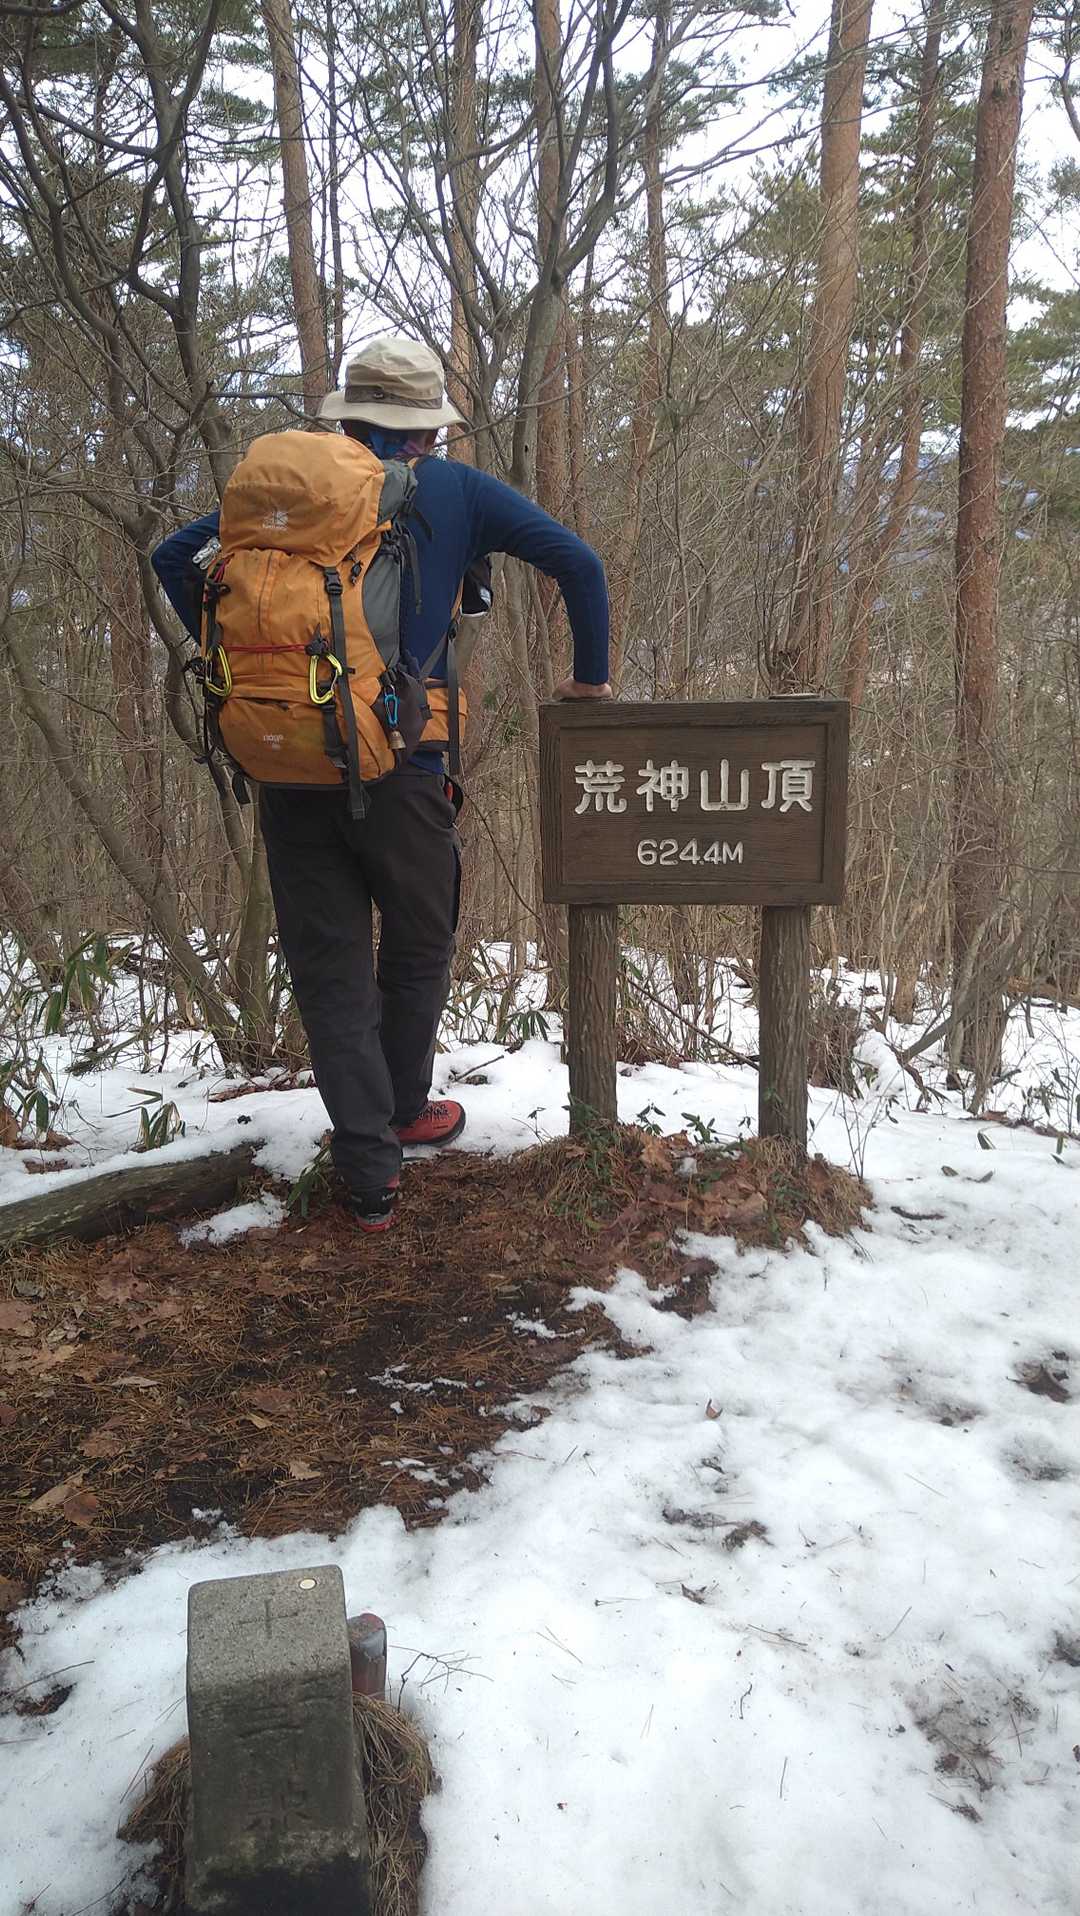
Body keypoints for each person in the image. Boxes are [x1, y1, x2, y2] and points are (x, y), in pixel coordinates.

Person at [152, 335, 611, 1232]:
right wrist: (589, 681)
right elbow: (579, 566)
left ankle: (370, 1176)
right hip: (404, 767)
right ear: (425, 430)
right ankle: (403, 1110)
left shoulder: (290, 497)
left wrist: (256, 671)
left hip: (289, 764)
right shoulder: (453, 489)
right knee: (418, 944)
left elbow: (176, 557)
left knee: (330, 970)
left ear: (347, 418)